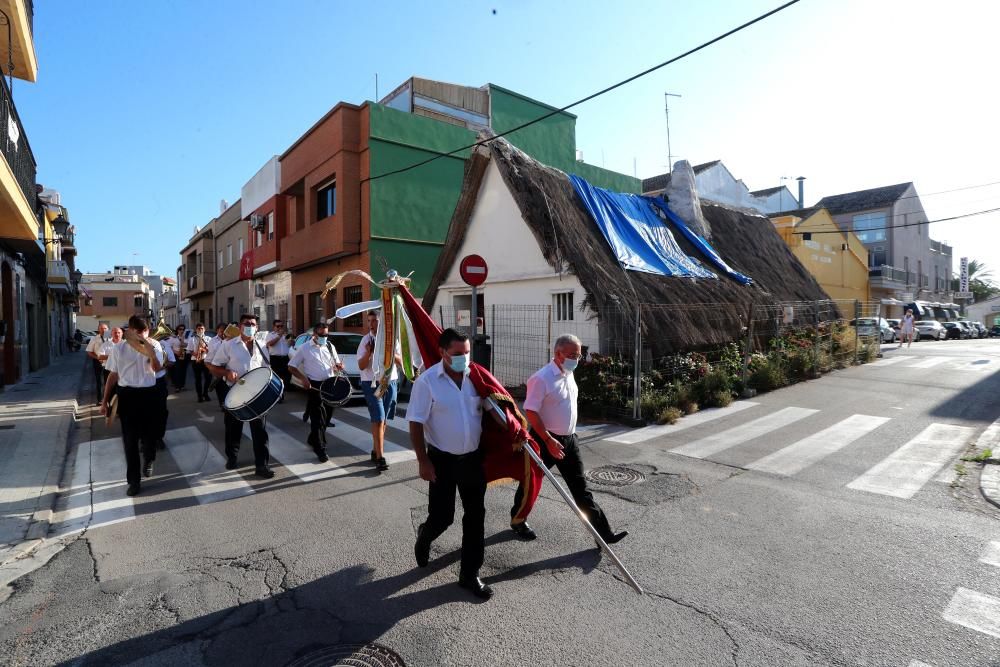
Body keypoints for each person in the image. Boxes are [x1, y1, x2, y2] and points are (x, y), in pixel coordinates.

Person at [509, 334, 627, 546]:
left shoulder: (569, 373)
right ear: (558, 353)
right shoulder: (541, 378)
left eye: (579, 355)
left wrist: (566, 436)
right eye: (572, 355)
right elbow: (531, 411)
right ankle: (518, 520)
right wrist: (547, 439)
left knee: (581, 489)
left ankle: (603, 534)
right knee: (530, 483)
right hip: (543, 440)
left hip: (570, 439)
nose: (577, 359)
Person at [408, 328, 492, 600]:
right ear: (443, 352)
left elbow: (495, 408)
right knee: (443, 517)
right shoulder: (428, 381)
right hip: (441, 460)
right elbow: (416, 422)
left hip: (472, 460)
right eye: (458, 354)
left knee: (476, 515)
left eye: (467, 353)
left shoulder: (476, 378)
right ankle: (426, 535)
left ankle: (469, 574)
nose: (464, 358)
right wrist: (423, 461)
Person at [100, 316, 164, 497]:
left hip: (149, 394)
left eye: (145, 331)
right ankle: (134, 481)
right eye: (138, 331)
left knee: (150, 436)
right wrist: (104, 402)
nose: (142, 334)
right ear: (131, 330)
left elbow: (157, 369)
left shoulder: (155, 345)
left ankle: (149, 458)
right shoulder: (119, 348)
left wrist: (150, 352)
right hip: (127, 395)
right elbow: (113, 375)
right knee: (130, 440)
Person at [206, 314, 273, 478]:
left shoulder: (262, 346)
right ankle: (232, 457)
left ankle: (261, 465)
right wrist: (226, 372)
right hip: (234, 392)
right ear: (240, 326)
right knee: (233, 429)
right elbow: (214, 366)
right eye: (246, 323)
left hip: (257, 395)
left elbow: (266, 368)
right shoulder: (229, 345)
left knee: (260, 431)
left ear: (257, 327)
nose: (250, 326)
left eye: (253, 324)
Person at [287, 322, 344, 462]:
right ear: (314, 334)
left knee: (327, 417)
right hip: (315, 386)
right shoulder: (304, 348)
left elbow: (336, 365)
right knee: (317, 418)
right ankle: (320, 448)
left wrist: (339, 367)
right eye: (322, 335)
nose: (324, 337)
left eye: (326, 334)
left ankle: (313, 438)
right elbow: (291, 366)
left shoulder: (330, 346)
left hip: (330, 385)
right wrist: (303, 379)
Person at [358, 311, 404, 472]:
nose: (371, 324)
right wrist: (369, 352)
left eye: (375, 321)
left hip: (389, 382)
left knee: (383, 420)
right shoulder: (365, 340)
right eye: (369, 321)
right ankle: (380, 457)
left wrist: (390, 352)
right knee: (378, 418)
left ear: (382, 322)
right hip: (371, 384)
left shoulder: (391, 340)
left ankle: (375, 449)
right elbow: (361, 366)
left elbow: (400, 362)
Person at [153, 336, 175, 451]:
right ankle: (144, 439)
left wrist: (162, 367)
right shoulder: (133, 344)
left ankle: (159, 438)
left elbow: (171, 360)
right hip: (140, 383)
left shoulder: (162, 344)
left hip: (158, 381)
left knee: (161, 412)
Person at [266, 319, 291, 403]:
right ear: (274, 327)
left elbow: (291, 345)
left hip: (285, 358)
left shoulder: (285, 335)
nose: (280, 328)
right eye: (278, 326)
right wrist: (279, 336)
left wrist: (291, 340)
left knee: (286, 378)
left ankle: (280, 393)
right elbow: (270, 344)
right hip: (275, 359)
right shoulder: (270, 335)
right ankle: (279, 396)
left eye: (281, 326)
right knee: (277, 378)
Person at [85, 323, 110, 405]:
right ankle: (100, 400)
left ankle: (109, 400)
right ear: (98, 329)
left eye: (105, 328)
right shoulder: (94, 339)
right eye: (102, 328)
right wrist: (98, 358)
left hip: (110, 362)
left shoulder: (111, 337)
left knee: (109, 381)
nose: (104, 330)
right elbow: (89, 351)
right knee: (99, 381)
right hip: (98, 362)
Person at [188, 322, 212, 402]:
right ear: (196, 330)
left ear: (204, 329)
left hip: (206, 360)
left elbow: (212, 350)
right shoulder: (192, 339)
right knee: (198, 379)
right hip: (196, 360)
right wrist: (195, 354)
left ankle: (205, 393)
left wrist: (206, 349)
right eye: (198, 328)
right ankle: (199, 396)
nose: (200, 330)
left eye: (202, 328)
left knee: (208, 378)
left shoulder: (208, 339)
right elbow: (190, 350)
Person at [206, 324, 228, 408]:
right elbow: (211, 355)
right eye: (221, 331)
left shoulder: (230, 340)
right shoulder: (213, 341)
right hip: (217, 366)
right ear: (217, 331)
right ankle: (222, 402)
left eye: (224, 331)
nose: (223, 333)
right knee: (219, 386)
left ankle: (226, 402)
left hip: (227, 366)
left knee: (226, 386)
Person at [171, 324, 188, 391]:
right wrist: (176, 352)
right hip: (176, 355)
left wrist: (183, 342)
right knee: (177, 371)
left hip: (184, 355)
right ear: (177, 330)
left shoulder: (186, 337)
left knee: (184, 371)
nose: (182, 330)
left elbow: (188, 345)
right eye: (180, 329)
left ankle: (182, 385)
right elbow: (170, 347)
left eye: (183, 329)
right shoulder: (173, 338)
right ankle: (177, 387)